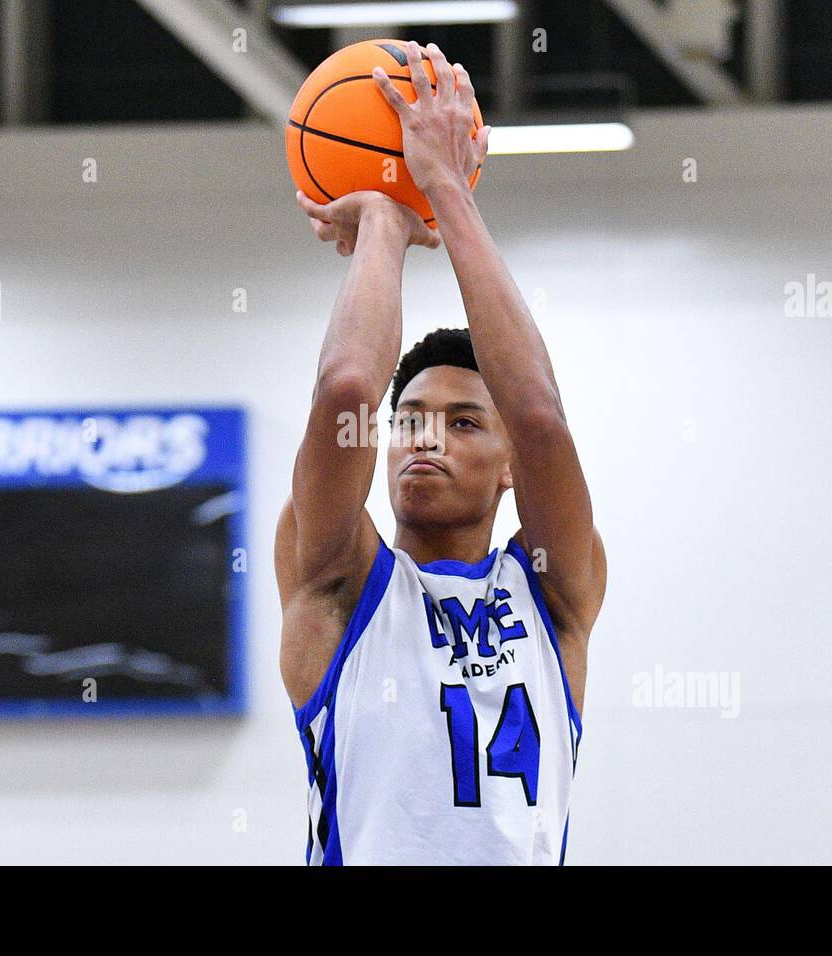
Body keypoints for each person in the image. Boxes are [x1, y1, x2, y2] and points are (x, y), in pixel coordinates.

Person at [276, 40, 606, 865]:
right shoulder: (340, 583)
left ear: (508, 470)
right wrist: (387, 222)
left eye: (463, 422)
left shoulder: (555, 592)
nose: (426, 435)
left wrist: (446, 191)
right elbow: (349, 389)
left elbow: (538, 414)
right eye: (414, 418)